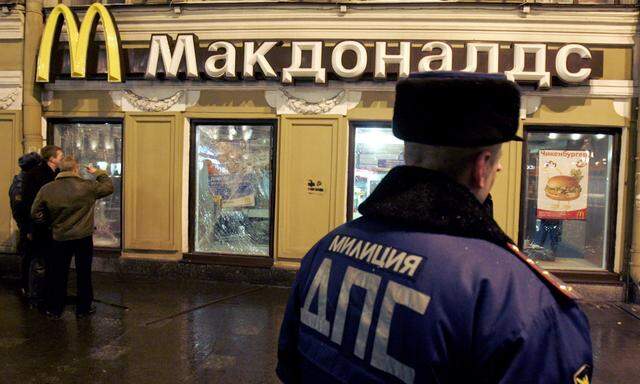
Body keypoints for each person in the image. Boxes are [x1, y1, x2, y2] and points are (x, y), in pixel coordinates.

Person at [276, 72, 593, 384]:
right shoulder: (519, 301)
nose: (499, 167)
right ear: (481, 168)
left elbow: (291, 367)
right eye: (497, 159)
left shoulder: (327, 248)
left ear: (407, 153)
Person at [31, 156, 114, 319]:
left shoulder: (47, 189)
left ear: (60, 170)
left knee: (58, 273)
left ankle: (55, 308)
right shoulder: (88, 187)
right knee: (84, 273)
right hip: (83, 237)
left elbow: (35, 213)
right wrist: (97, 172)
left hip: (60, 236)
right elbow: (108, 187)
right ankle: (83, 308)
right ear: (75, 169)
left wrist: (49, 223)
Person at [20, 145, 64, 301]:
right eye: (60, 156)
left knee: (48, 260)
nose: (62, 159)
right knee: (38, 261)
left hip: (52, 225)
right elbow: (28, 204)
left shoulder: (58, 174)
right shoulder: (35, 175)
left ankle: (46, 291)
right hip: (39, 225)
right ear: (52, 159)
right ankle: (35, 294)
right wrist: (29, 227)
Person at [8, 152, 43, 296]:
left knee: (31, 258)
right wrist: (28, 229)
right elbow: (20, 211)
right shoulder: (21, 185)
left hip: (30, 227)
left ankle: (30, 288)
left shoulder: (28, 181)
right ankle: (27, 288)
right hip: (28, 228)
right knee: (29, 258)